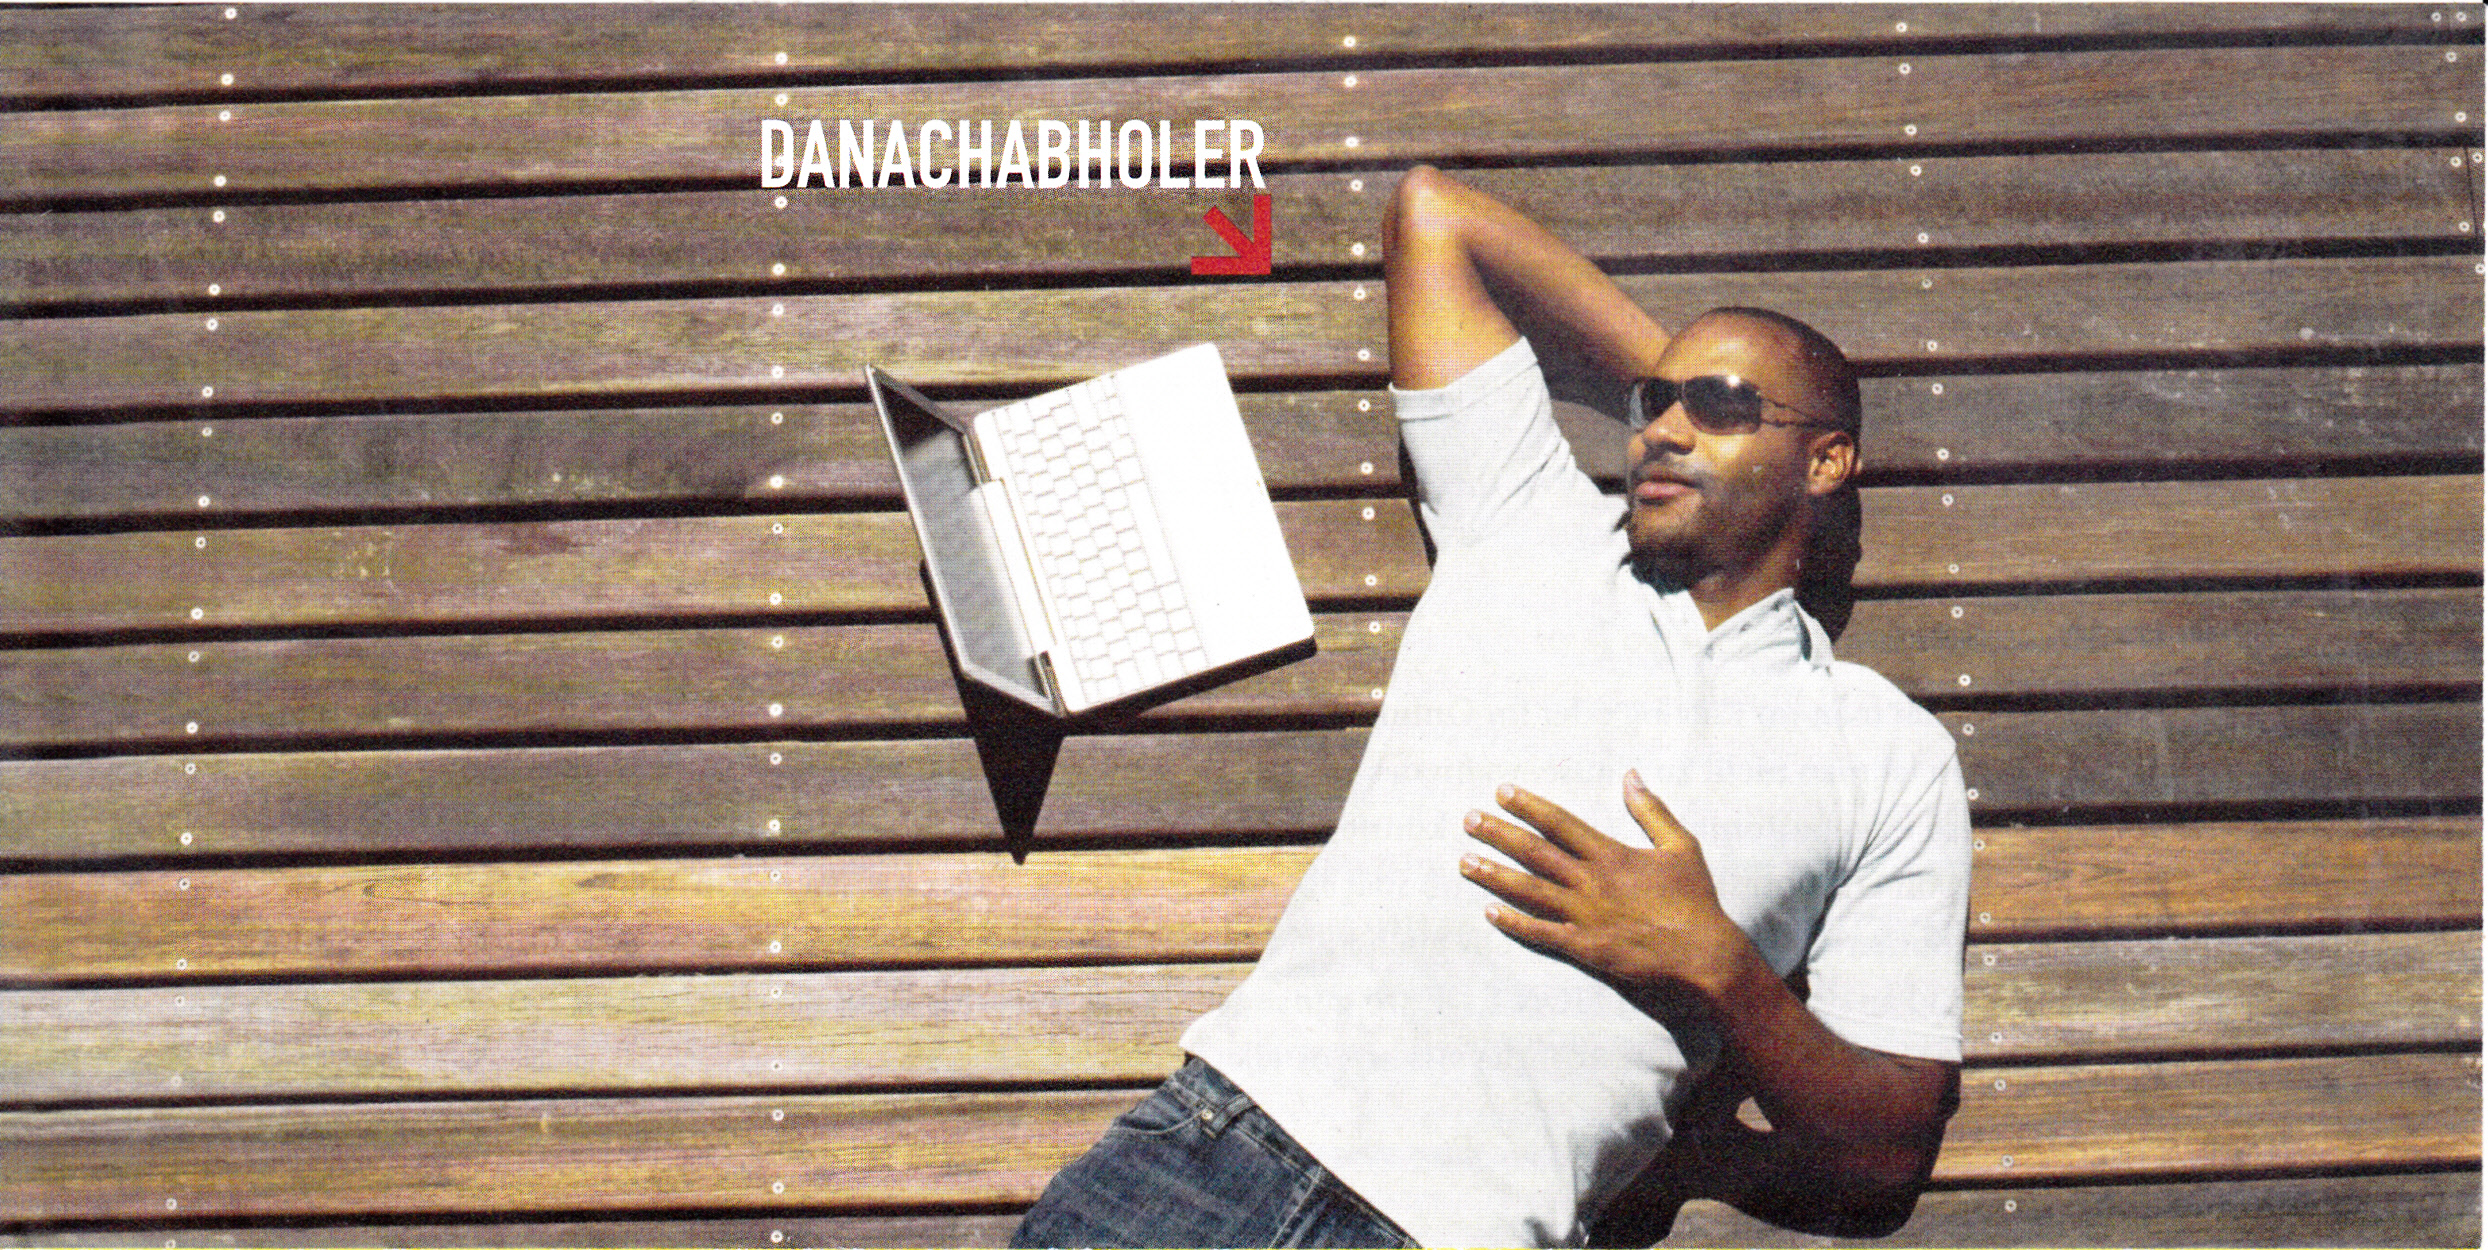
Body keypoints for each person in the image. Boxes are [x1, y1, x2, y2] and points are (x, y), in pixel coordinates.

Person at [1012, 166, 1971, 1249]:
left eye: (1718, 406)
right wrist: (1699, 390)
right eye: (1650, 403)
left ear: (1828, 460)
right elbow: (1434, 216)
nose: (1660, 430)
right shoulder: (1527, 520)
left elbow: (1886, 1156)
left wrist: (1718, 965)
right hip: (1210, 1163)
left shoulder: (1888, 756)